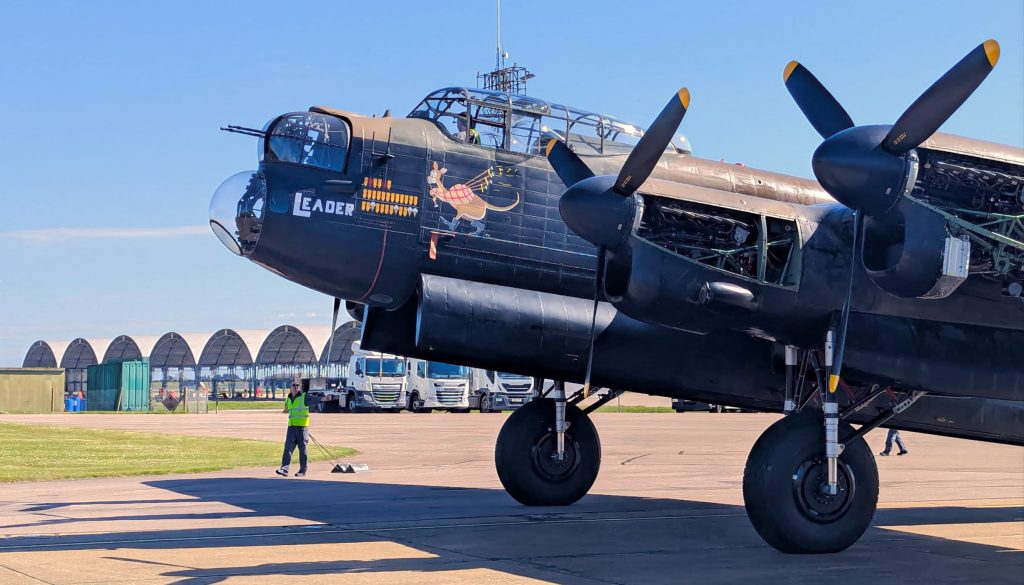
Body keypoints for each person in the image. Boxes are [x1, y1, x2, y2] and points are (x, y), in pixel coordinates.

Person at [277, 380, 310, 477]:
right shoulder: (288, 398)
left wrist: (325, 398)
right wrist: (284, 411)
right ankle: (284, 469)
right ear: (290, 387)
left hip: (302, 428)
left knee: (302, 449)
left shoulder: (304, 397)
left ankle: (302, 470)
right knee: (288, 448)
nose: (296, 387)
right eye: (294, 385)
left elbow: (316, 399)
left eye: (297, 385)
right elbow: (287, 409)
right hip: (291, 427)